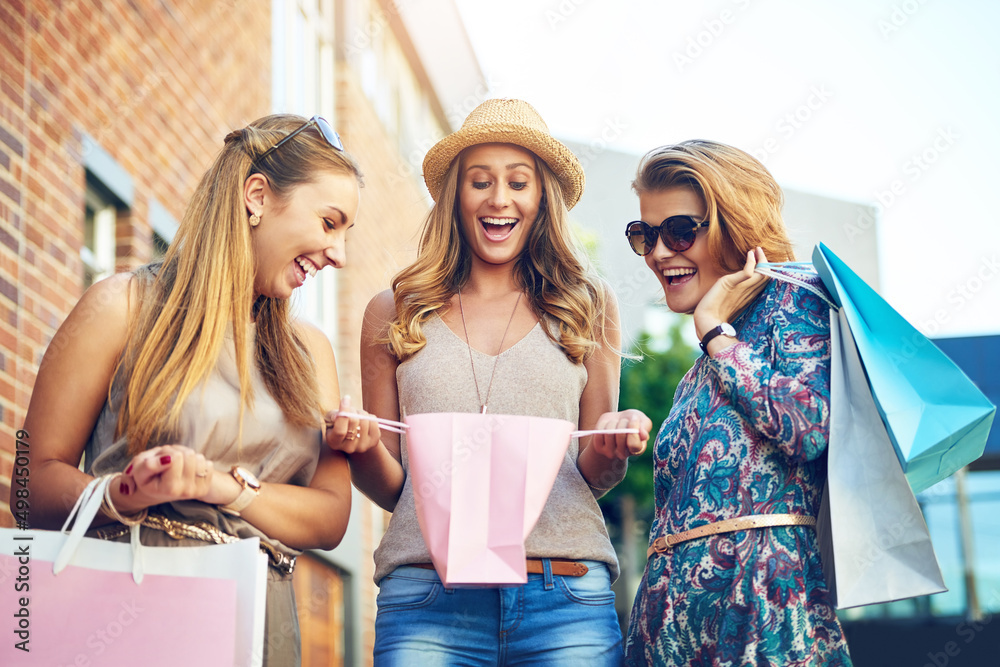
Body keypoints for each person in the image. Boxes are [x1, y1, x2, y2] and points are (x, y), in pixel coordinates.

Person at [22, 114, 362, 666]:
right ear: (256, 196)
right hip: (127, 616)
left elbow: (328, 519)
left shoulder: (310, 353)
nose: (339, 254)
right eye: (330, 223)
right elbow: (26, 484)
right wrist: (120, 495)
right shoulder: (121, 307)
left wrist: (225, 487)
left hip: (262, 630)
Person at [327, 98, 651, 665]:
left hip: (564, 594)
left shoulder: (587, 307)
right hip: (428, 595)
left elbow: (593, 473)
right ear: (457, 195)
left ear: (540, 198)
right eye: (481, 181)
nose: (499, 198)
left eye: (517, 182)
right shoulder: (395, 311)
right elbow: (392, 487)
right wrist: (359, 449)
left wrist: (614, 443)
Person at [621, 140, 852, 665]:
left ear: (736, 224)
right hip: (669, 632)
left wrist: (718, 336)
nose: (659, 252)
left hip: (761, 617)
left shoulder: (799, 296)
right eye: (645, 235)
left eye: (680, 231)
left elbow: (809, 426)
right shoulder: (699, 364)